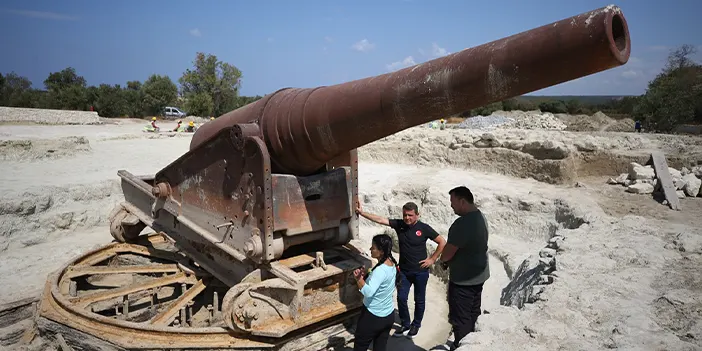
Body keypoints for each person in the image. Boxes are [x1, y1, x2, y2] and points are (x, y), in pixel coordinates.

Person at [356, 201, 446, 338]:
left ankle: (416, 325)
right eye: (405, 215)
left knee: (419, 300)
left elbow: (442, 241)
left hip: (421, 272)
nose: (407, 218)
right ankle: (405, 324)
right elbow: (381, 219)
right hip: (404, 271)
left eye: (410, 215)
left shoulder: (424, 228)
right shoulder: (400, 225)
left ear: (417, 215)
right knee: (401, 298)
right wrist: (362, 213)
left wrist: (432, 259)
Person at [439, 186, 489, 349]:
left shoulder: (462, 224)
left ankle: (463, 345)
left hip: (463, 282)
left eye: (452, 202)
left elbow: (448, 253)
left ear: (462, 201)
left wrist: (443, 261)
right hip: (478, 277)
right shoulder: (480, 217)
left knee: (461, 318)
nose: (451, 206)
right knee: (474, 312)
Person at [352, 234, 400, 351]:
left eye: (373, 247)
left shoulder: (380, 270)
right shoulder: (392, 264)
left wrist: (359, 279)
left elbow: (368, 292)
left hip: (373, 317)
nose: (370, 249)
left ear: (381, 251)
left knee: (360, 346)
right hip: (388, 315)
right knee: (380, 347)